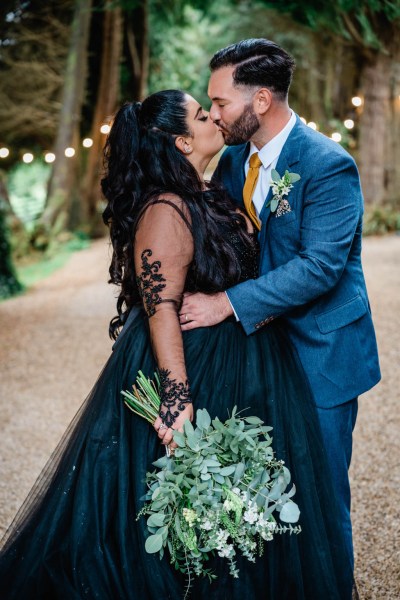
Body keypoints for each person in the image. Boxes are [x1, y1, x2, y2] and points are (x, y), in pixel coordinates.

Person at [0, 90, 353, 599]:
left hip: (241, 363)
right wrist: (177, 396)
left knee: (241, 502)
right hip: (192, 367)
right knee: (179, 506)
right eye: (203, 114)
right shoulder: (165, 210)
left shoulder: (208, 191)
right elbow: (160, 306)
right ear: (184, 141)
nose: (215, 119)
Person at [180, 38, 381, 569]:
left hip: (322, 352)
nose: (215, 115)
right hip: (256, 352)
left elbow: (320, 267)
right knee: (265, 489)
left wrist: (226, 303)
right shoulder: (231, 165)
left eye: (221, 103)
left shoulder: (327, 164)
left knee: (320, 491)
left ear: (261, 100)